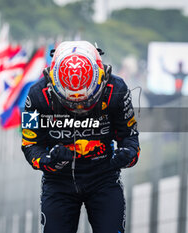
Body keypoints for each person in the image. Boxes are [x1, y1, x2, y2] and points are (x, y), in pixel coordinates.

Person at [22, 41, 140, 233]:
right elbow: (29, 144)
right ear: (52, 83)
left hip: (103, 179)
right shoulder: (36, 95)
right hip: (58, 183)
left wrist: (127, 155)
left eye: (86, 101)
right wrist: (49, 161)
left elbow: (130, 137)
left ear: (102, 79)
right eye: (70, 102)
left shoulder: (117, 89)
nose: (78, 107)